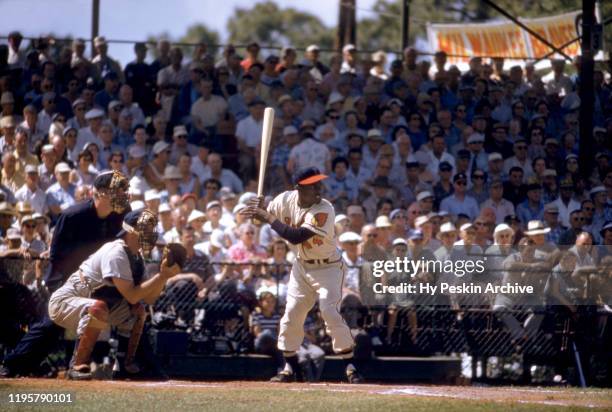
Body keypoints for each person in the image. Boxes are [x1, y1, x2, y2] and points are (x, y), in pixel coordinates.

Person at [0, 170, 130, 377]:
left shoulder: (122, 215)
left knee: (133, 310)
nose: (123, 195)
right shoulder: (72, 216)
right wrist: (65, 289)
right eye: (117, 190)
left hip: (103, 281)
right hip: (66, 279)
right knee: (52, 325)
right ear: (100, 193)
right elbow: (57, 257)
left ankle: (135, 366)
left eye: (124, 190)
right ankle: (12, 365)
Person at [242, 167, 363, 383]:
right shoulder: (284, 200)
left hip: (328, 268)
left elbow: (296, 236)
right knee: (292, 313)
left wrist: (266, 216)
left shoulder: (324, 208)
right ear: (298, 188)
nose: (318, 188)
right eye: (312, 185)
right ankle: (289, 366)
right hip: (301, 267)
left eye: (319, 183)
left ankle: (350, 366)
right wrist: (259, 213)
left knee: (329, 310)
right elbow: (259, 221)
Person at [48, 209, 181, 379]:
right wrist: (161, 275)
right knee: (98, 308)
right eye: (145, 228)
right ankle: (77, 365)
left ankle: (124, 366)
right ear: (131, 230)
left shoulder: (137, 257)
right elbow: (132, 295)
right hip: (66, 301)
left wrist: (165, 277)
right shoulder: (116, 252)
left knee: (138, 312)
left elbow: (148, 298)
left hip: (99, 303)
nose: (150, 233)